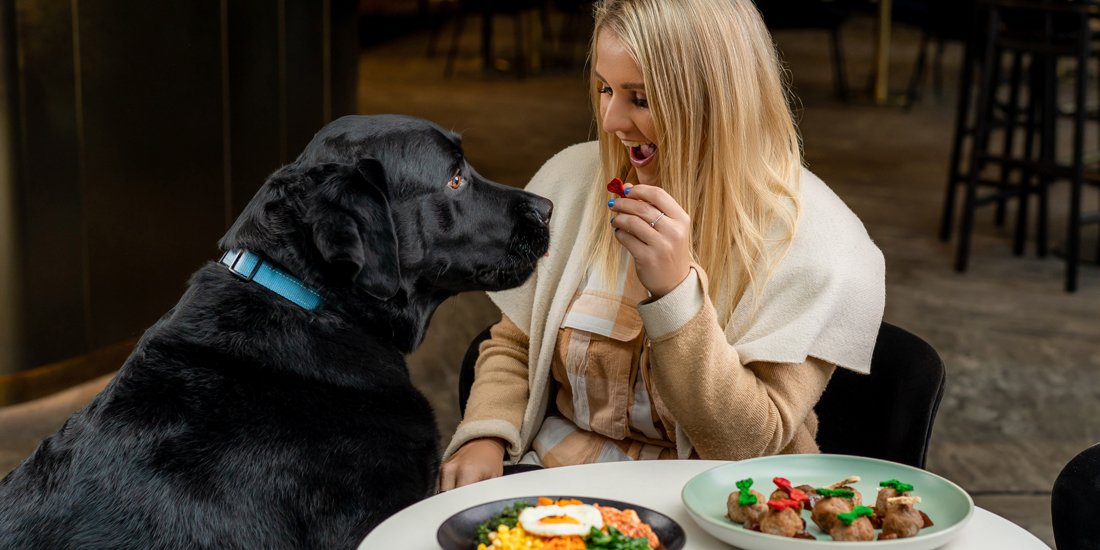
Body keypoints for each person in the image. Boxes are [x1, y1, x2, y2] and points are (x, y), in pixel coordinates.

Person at [438, 0, 885, 491]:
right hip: (553, 492)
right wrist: (486, 435)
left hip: (714, 505)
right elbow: (517, 344)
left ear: (719, 100)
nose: (610, 120)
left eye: (641, 98)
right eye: (605, 89)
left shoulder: (819, 246)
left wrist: (676, 297)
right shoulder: (570, 184)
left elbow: (749, 446)